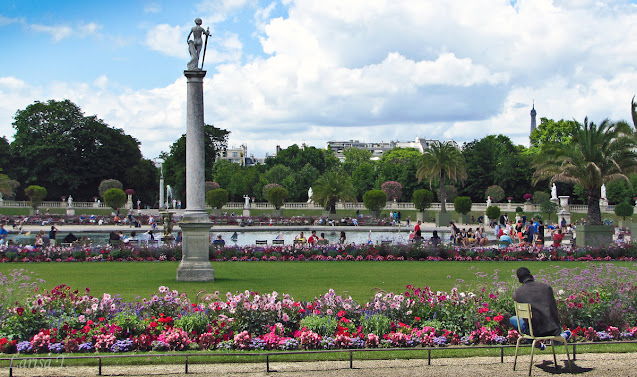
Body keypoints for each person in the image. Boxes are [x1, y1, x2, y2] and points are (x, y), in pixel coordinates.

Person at [510, 267, 571, 350]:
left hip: (534, 332)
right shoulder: (547, 288)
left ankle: (535, 343)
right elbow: (554, 310)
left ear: (520, 280)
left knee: (513, 319)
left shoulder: (517, 293)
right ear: (531, 276)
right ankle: (558, 339)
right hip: (553, 329)